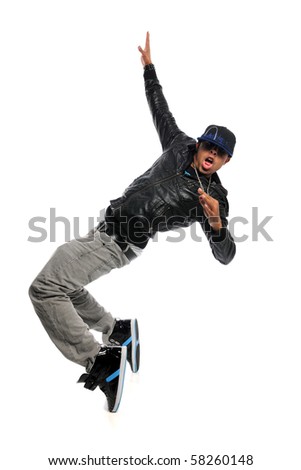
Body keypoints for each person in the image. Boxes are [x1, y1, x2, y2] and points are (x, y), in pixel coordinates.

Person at [29, 32, 236, 413]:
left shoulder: (214, 199)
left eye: (220, 154)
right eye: (209, 146)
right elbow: (161, 109)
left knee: (45, 289)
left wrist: (217, 224)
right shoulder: (179, 145)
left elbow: (226, 256)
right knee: (67, 286)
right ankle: (118, 331)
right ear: (201, 144)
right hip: (104, 226)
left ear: (225, 162)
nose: (211, 154)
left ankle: (99, 362)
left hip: (120, 242)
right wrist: (149, 70)